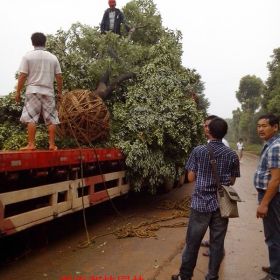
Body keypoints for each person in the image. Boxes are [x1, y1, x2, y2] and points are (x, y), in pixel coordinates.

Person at [172, 117, 240, 280]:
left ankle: (185, 276)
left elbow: (190, 178)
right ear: (224, 132)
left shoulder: (199, 151)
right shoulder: (232, 154)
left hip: (200, 204)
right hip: (222, 205)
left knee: (192, 243)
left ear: (208, 131)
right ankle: (212, 276)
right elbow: (231, 180)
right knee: (217, 244)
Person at [15, 32, 63, 151]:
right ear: (45, 42)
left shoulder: (28, 57)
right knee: (51, 119)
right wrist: (60, 92)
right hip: (49, 92)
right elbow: (59, 77)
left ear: (32, 43)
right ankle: (52, 145)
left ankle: (31, 144)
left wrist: (18, 92)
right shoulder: (53, 57)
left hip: (33, 91)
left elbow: (22, 76)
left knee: (31, 118)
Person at [254, 113, 280, 280]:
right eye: (258, 126)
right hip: (270, 196)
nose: (260, 129)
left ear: (275, 127)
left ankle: (276, 274)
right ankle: (276, 266)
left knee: (273, 236)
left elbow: (276, 179)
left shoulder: (275, 146)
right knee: (274, 234)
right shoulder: (270, 144)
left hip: (272, 197)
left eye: (264, 126)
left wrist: (264, 204)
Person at [201, 115, 229, 257]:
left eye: (207, 125)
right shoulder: (208, 143)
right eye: (204, 125)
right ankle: (212, 243)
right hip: (212, 192)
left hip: (217, 192)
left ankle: (217, 249)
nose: (205, 128)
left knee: (217, 223)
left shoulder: (222, 144)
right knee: (213, 222)